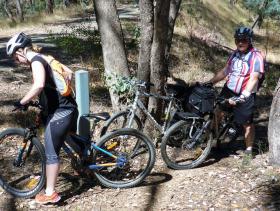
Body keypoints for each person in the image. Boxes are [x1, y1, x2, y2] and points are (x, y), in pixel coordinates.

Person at [6, 32, 78, 204]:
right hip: (65, 108)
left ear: (22, 51)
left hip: (62, 111)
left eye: (16, 57)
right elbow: (68, 72)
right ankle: (86, 160)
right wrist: (51, 96)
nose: (17, 61)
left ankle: (50, 193)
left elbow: (38, 85)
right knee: (67, 138)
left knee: (51, 151)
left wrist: (22, 102)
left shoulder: (36, 61)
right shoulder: (44, 57)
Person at [206, 26, 265, 156]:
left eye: (243, 40)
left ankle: (249, 150)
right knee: (217, 113)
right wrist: (210, 82)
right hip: (229, 90)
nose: (240, 42)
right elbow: (225, 71)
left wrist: (244, 95)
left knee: (247, 123)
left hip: (246, 94)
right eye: (237, 39)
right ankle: (212, 141)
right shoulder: (234, 54)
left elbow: (254, 78)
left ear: (249, 40)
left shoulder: (256, 56)